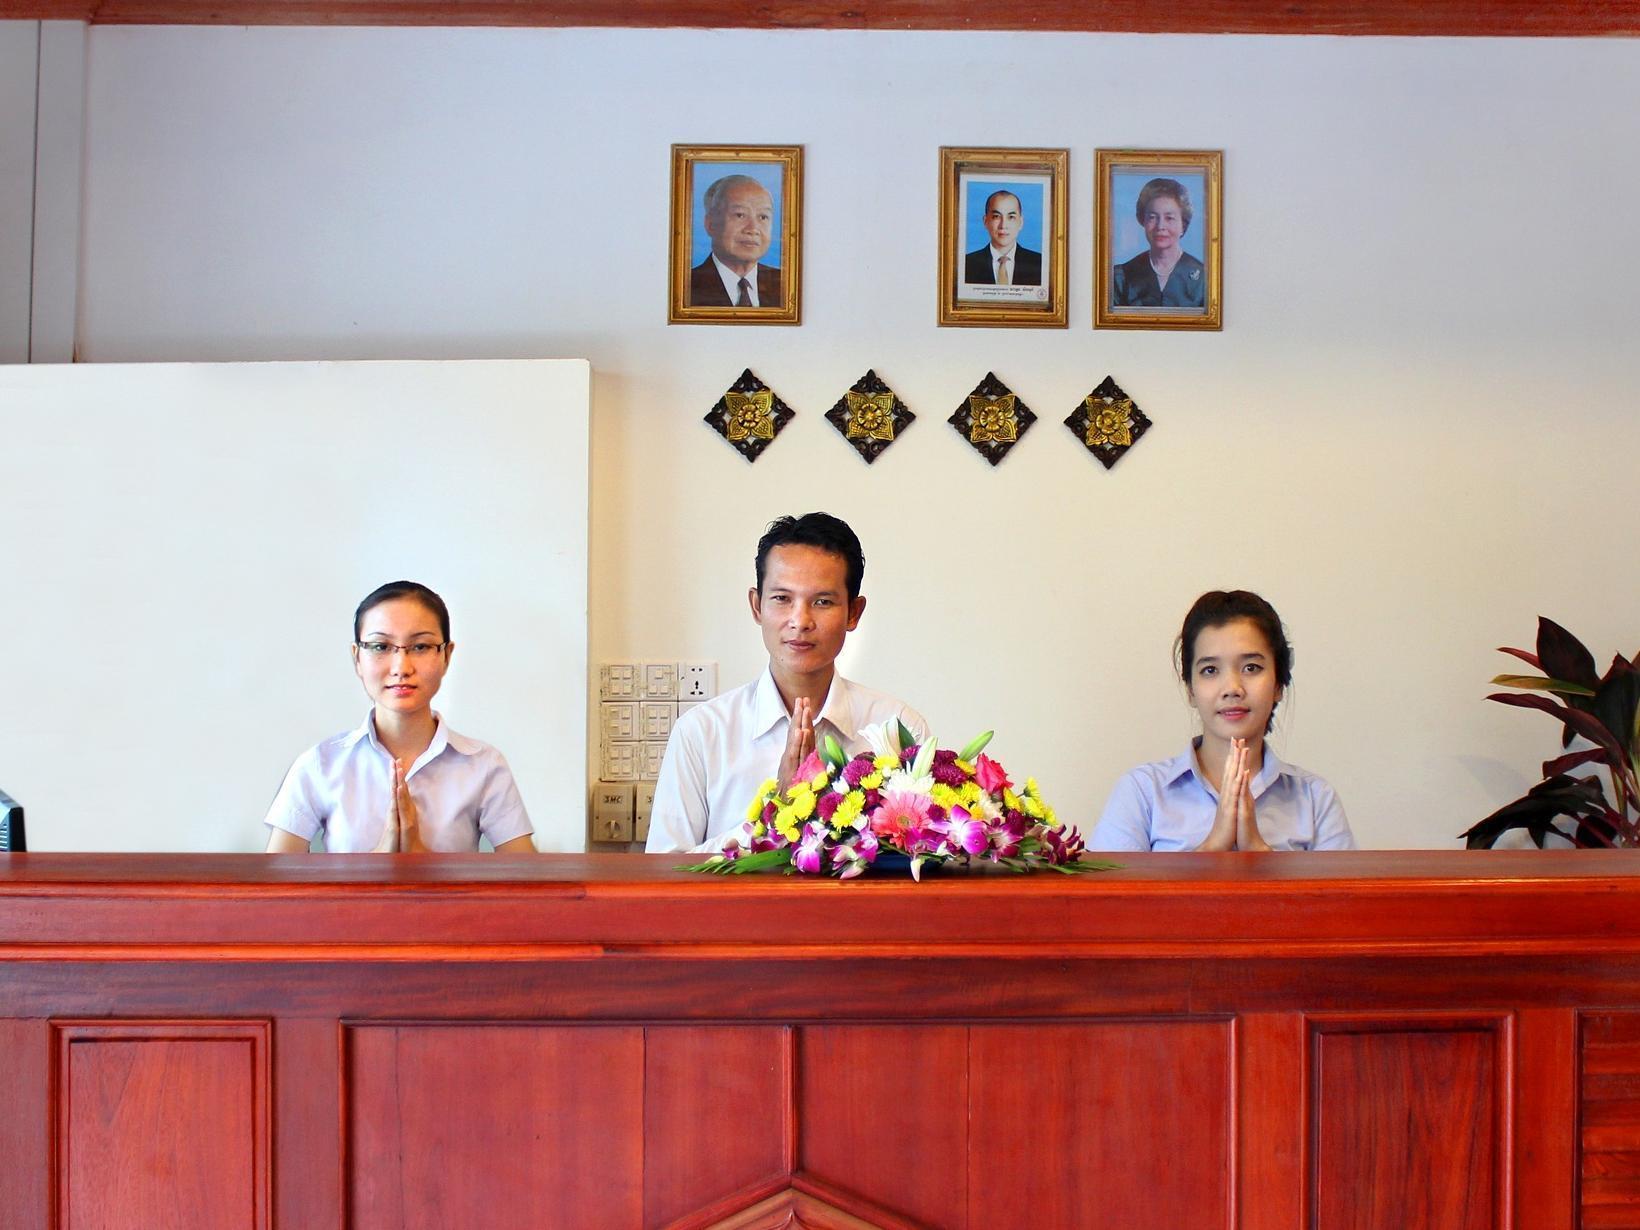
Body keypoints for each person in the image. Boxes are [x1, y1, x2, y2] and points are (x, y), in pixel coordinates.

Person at [646, 513, 929, 853]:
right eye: (782, 599)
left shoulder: (898, 729)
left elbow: (925, 862)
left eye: (822, 602)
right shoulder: (701, 733)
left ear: (853, 612)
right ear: (756, 606)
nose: (800, 621)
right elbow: (665, 877)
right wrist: (776, 810)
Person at [264, 581, 535, 854]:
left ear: (446, 656)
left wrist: (421, 860)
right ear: (357, 657)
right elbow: (275, 887)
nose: (401, 668)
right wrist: (380, 861)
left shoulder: (484, 765)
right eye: (381, 647)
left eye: (420, 647)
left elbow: (529, 886)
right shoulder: (320, 764)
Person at [1091, 590, 1356, 852]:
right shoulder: (1141, 792)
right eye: (1210, 670)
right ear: (1191, 690)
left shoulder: (1316, 798)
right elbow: (1107, 895)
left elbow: (1341, 897)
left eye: (1251, 668)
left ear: (1278, 684)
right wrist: (1212, 847)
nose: (1232, 688)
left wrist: (1257, 849)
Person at [688, 173, 782, 308]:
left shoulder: (787, 284)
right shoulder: (686, 287)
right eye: (740, 215)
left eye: (763, 217)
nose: (753, 229)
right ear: (711, 224)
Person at [1111, 177, 1206, 308]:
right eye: (1152, 217)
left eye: (1169, 218)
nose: (1160, 226)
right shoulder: (1121, 277)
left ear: (1183, 225)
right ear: (1142, 221)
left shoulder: (1204, 278)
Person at [964, 189, 1042, 286]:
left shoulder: (1040, 264)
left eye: (1011, 217)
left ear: (1021, 222)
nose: (1003, 225)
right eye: (996, 216)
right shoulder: (967, 264)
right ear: (985, 221)